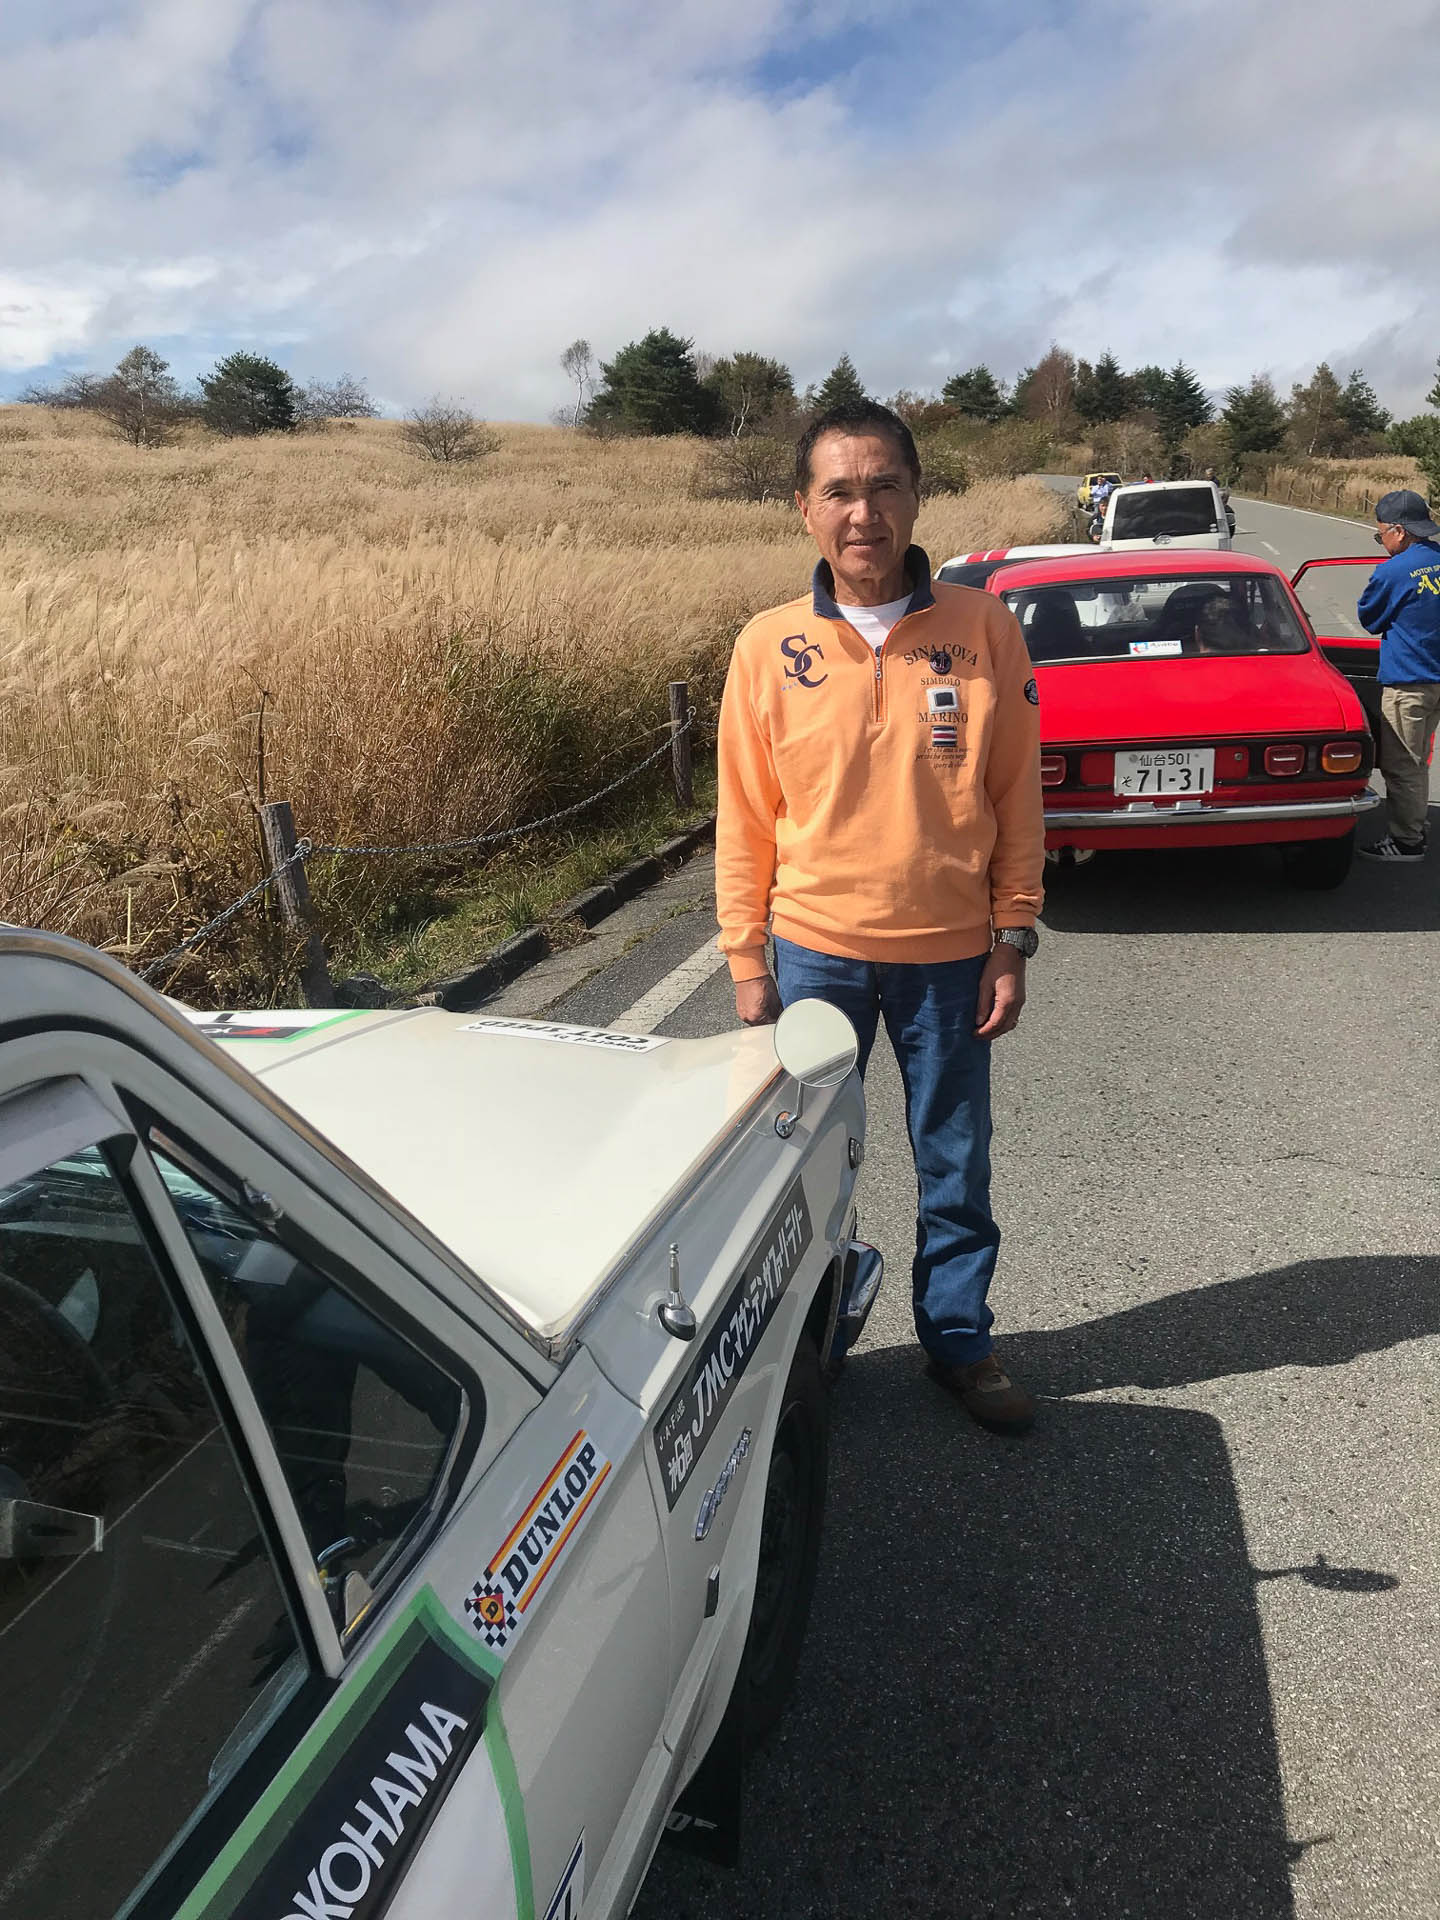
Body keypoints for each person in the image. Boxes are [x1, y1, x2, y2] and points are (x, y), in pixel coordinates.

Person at [715, 399, 1045, 1434]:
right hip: (815, 954)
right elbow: (745, 813)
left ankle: (959, 1340)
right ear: (804, 510)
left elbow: (1015, 795)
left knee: (954, 1155)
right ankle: (814, 1334)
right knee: (806, 1165)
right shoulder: (768, 647)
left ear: (916, 496)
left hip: (951, 958)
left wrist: (1012, 936)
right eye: (840, 491)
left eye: (885, 486)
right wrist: (744, 957)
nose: (865, 512)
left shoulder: (982, 629)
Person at [1357, 489, 1440, 862]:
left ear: (1399, 531)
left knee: (1402, 763)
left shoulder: (1393, 571)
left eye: (1380, 535)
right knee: (1418, 759)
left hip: (1410, 680)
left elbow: (1369, 619)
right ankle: (1416, 820)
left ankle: (1407, 841)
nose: (1381, 542)